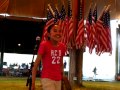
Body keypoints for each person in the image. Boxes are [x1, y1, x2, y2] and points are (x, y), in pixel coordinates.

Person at [32, 24, 66, 90]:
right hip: (47, 78)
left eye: (60, 31)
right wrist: (33, 83)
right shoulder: (44, 45)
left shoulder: (62, 46)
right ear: (48, 34)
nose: (58, 33)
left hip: (58, 79)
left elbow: (61, 64)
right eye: (55, 31)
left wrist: (62, 78)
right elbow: (35, 65)